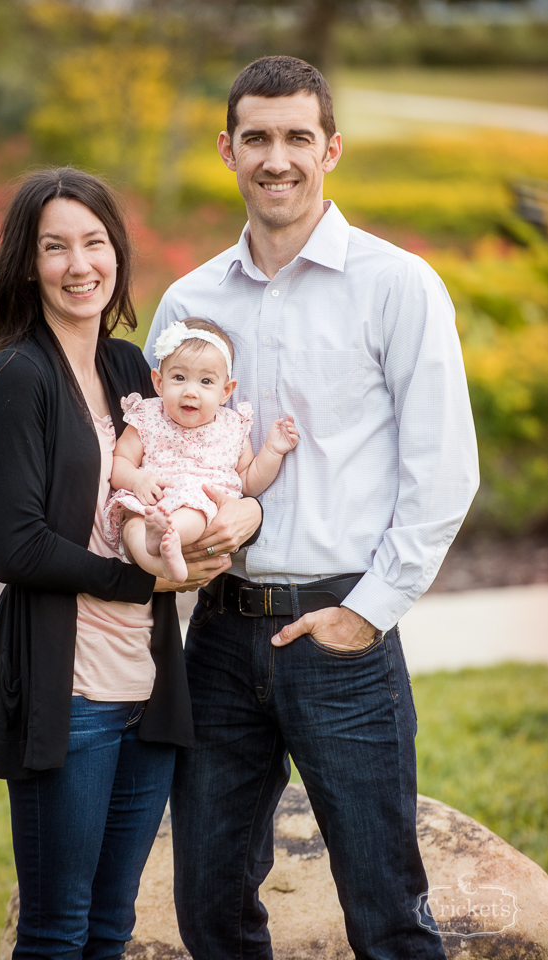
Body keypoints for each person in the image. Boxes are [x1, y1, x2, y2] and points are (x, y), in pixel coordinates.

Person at [145, 56, 479, 959]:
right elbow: (152, 452)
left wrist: (367, 613)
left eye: (297, 136)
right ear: (227, 149)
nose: (276, 158)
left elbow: (443, 468)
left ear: (330, 148)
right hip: (217, 638)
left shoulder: (395, 284)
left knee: (386, 913)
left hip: (343, 636)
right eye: (256, 137)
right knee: (210, 907)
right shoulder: (189, 303)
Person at [0, 167, 262, 959]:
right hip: (70, 692)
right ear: (28, 263)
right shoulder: (15, 379)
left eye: (94, 242)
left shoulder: (136, 372)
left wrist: (247, 510)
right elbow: (15, 547)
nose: (78, 263)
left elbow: (213, 456)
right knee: (57, 931)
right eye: (54, 246)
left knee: (112, 924)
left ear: (117, 255)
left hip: (149, 688)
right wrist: (144, 579)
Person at [104, 318, 298, 583]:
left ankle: (169, 537)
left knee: (195, 514)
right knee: (132, 529)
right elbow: (121, 460)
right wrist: (137, 480)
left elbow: (248, 481)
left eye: (206, 381)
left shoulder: (232, 427)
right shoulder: (148, 416)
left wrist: (273, 451)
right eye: (179, 378)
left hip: (196, 504)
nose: (191, 392)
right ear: (159, 383)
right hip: (148, 505)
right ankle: (160, 562)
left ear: (225, 391)